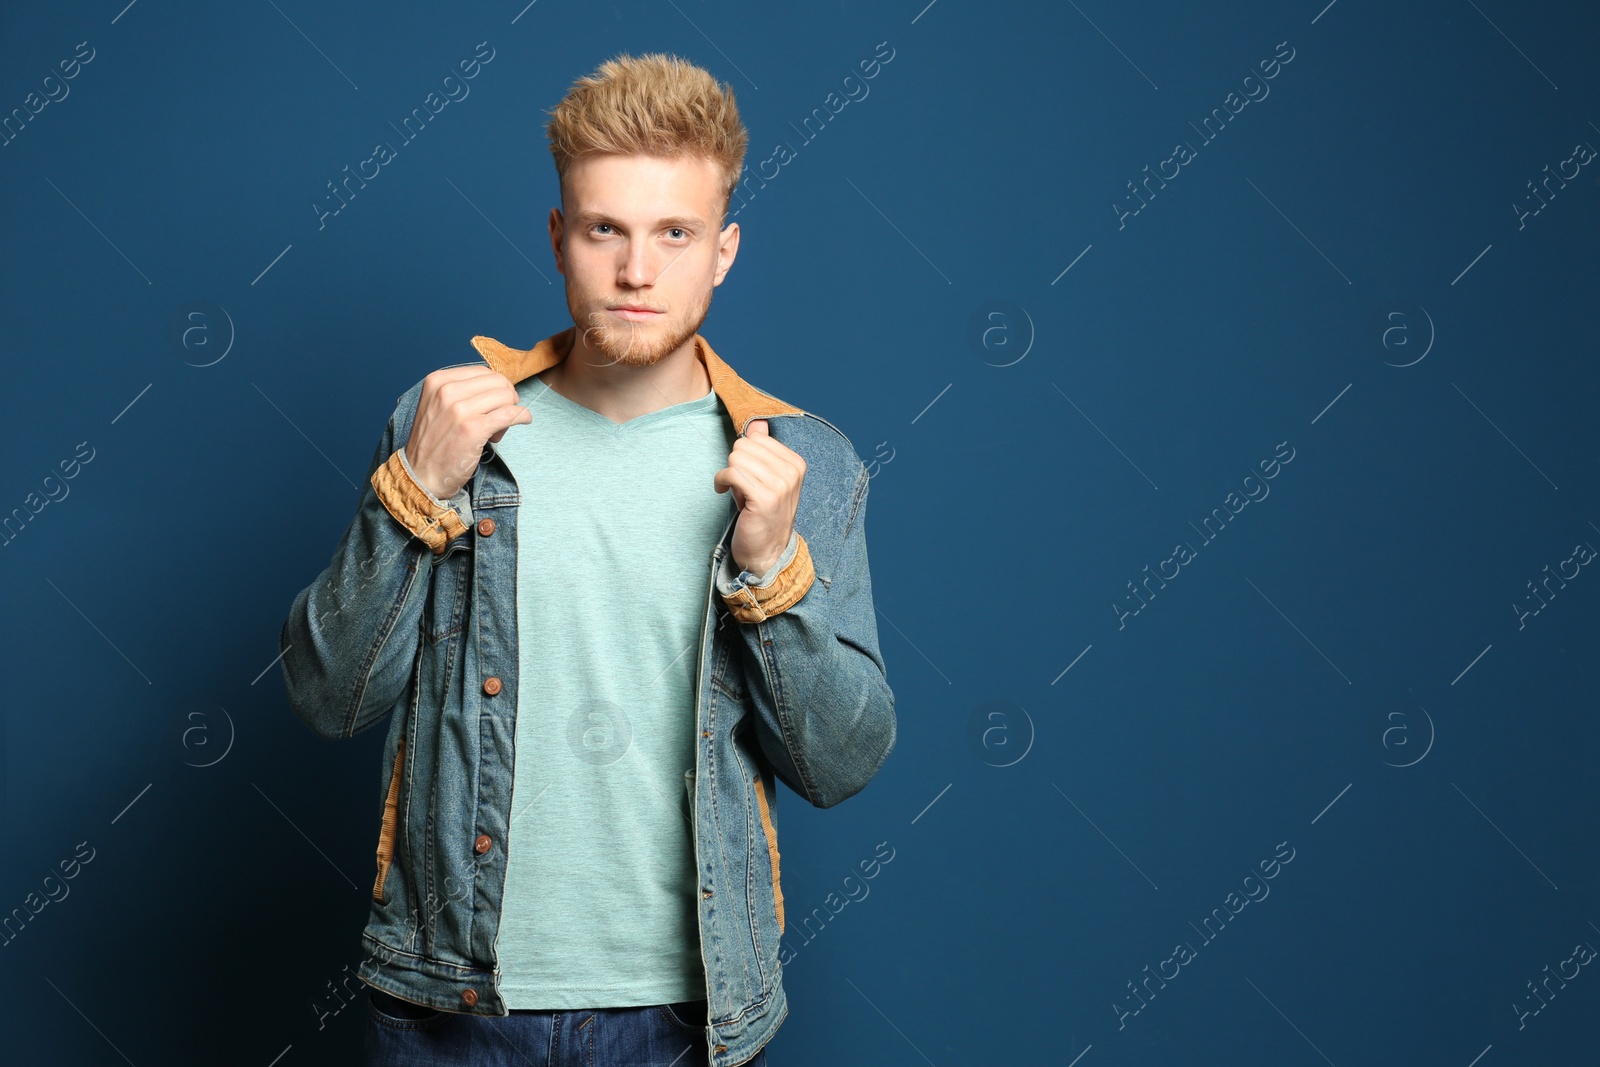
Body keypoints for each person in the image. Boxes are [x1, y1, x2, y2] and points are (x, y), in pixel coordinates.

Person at [278, 52, 897, 1067]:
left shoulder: (800, 461)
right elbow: (327, 696)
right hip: (453, 1004)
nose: (637, 271)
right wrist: (415, 496)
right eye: (606, 228)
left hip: (689, 1013)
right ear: (561, 237)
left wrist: (771, 572)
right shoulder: (444, 427)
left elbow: (840, 762)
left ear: (724, 250)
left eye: (674, 233)